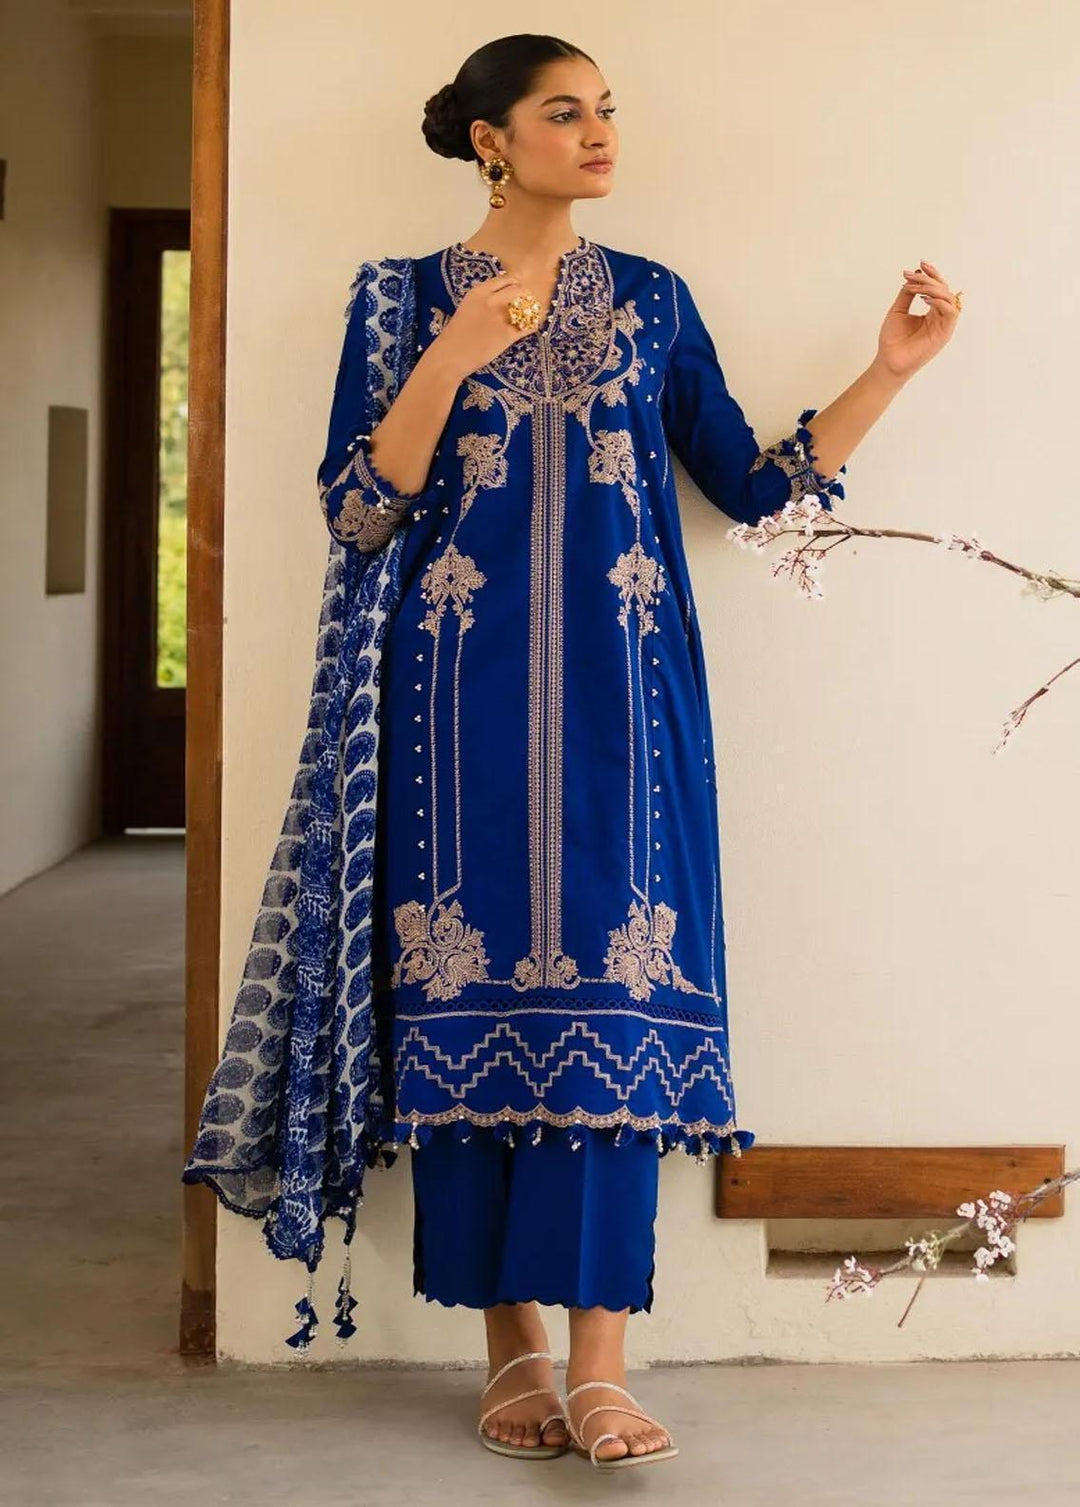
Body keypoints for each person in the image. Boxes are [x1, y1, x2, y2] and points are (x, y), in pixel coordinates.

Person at [189, 29, 962, 1473]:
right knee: (462, 994)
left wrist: (888, 371)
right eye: (565, 112)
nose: (601, 132)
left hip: (628, 706)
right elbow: (359, 507)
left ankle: (602, 1361)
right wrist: (453, 355)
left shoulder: (654, 301)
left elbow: (754, 491)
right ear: (492, 139)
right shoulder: (399, 300)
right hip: (449, 711)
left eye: (607, 109)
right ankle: (514, 1348)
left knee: (621, 997)